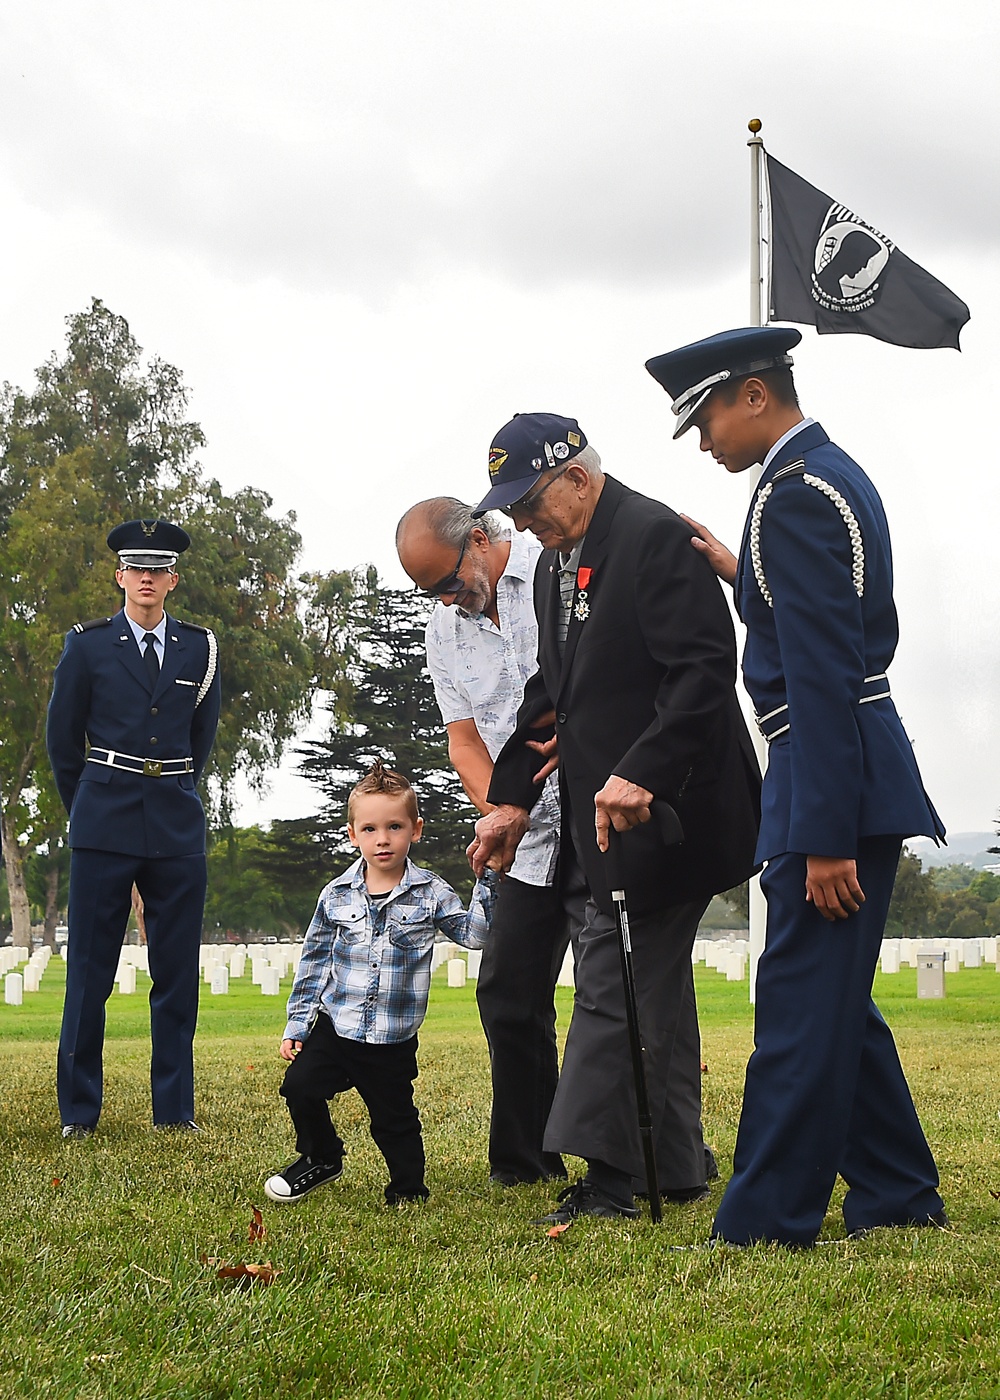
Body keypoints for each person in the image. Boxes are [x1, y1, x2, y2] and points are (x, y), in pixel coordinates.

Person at [645, 325, 948, 1246]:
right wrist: (748, 581)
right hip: (838, 764)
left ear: (752, 394)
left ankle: (767, 1220)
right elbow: (823, 620)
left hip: (829, 778)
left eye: (705, 419)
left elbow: (821, 673)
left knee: (796, 1014)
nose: (703, 441)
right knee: (833, 1004)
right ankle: (897, 1192)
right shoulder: (817, 478)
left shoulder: (795, 497)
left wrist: (821, 835)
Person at [467, 412, 761, 1224]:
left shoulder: (652, 537)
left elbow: (702, 673)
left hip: (673, 812)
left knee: (612, 973)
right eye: (512, 511)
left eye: (529, 503)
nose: (521, 523)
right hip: (608, 815)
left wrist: (642, 773)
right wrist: (511, 801)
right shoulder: (565, 558)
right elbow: (550, 697)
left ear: (577, 477)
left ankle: (608, 1179)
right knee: (646, 980)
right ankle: (673, 1165)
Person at [395, 498, 568, 1187]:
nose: (445, 598)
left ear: (476, 540)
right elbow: (462, 737)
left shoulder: (554, 572)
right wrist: (502, 810)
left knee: (625, 990)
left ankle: (658, 1151)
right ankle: (528, 1161)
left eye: (446, 580)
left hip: (596, 814)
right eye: (428, 592)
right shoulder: (445, 630)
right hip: (522, 835)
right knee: (507, 990)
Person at [46, 519, 221, 1138]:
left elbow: (201, 741)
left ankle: (174, 1111)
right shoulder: (87, 647)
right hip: (103, 818)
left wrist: (172, 789)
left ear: (173, 579)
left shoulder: (201, 649)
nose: (147, 578)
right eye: (136, 567)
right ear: (120, 575)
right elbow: (63, 742)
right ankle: (79, 1114)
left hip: (174, 823)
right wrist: (89, 806)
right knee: (89, 974)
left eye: (159, 568)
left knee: (176, 973)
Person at [264, 760, 498, 1206]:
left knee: (394, 1118)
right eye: (369, 829)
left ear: (416, 829)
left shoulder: (431, 892)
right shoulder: (336, 895)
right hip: (337, 1026)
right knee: (300, 1087)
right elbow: (314, 961)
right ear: (353, 834)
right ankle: (322, 1157)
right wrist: (298, 1024)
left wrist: (486, 882)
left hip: (391, 1037)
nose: (383, 839)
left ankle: (408, 1189)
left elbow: (474, 936)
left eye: (394, 826)